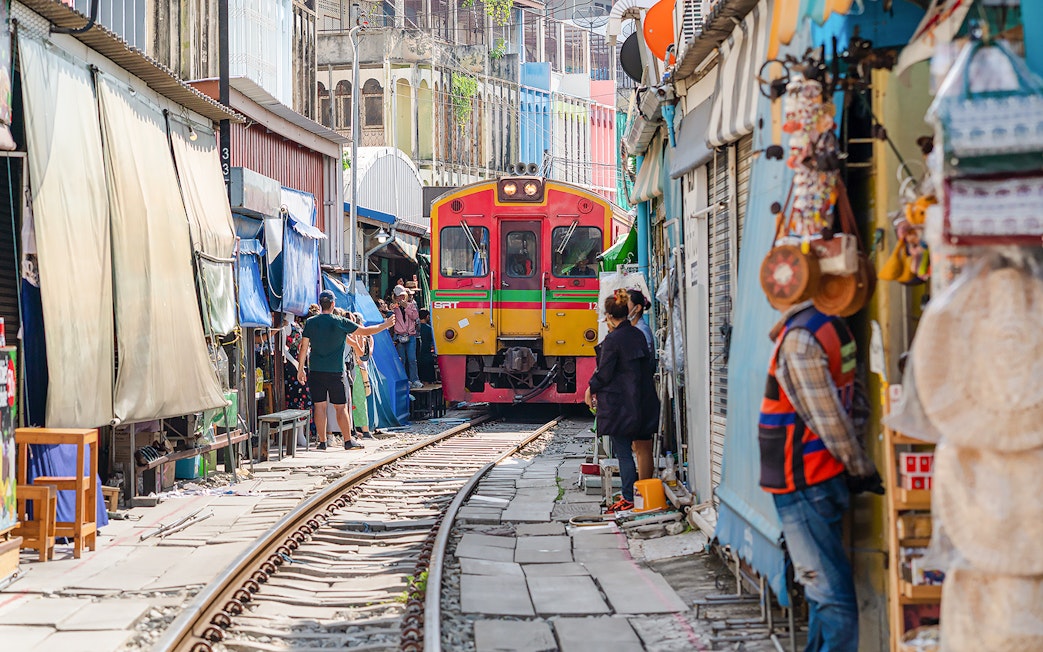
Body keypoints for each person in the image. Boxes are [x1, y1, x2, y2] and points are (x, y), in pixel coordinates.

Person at [759, 301, 883, 652]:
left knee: (830, 598)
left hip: (802, 479)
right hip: (817, 478)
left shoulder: (802, 335)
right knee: (820, 593)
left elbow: (828, 418)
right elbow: (855, 402)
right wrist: (856, 464)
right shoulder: (836, 328)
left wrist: (858, 465)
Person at [584, 289, 660, 513]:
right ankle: (639, 495)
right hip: (642, 402)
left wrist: (591, 388)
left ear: (608, 316)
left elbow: (604, 373)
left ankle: (628, 497)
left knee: (624, 453)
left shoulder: (613, 340)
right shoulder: (638, 334)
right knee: (640, 448)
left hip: (620, 406)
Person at [297, 290, 395, 450]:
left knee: (319, 406)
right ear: (333, 304)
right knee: (341, 407)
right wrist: (385, 325)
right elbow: (365, 332)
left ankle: (322, 442)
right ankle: (348, 441)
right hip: (336, 371)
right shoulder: (340, 321)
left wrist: (301, 369)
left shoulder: (311, 323)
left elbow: (303, 348)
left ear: (321, 305)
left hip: (316, 371)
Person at [346, 312, 374, 440]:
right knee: (359, 399)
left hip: (355, 368)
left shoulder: (356, 335)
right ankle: (363, 428)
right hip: (359, 368)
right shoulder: (362, 335)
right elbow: (365, 354)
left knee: (355, 399)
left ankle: (359, 428)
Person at [391, 285, 423, 389]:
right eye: (398, 297)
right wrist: (391, 309)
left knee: (412, 359)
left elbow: (415, 316)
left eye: (402, 296)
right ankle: (405, 380)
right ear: (395, 297)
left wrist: (406, 307)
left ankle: (415, 379)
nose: (400, 299)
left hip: (411, 335)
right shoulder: (394, 308)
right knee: (402, 359)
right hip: (400, 336)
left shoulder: (411, 305)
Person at [417, 308, 436, 383]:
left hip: (418, 353)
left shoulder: (416, 328)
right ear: (427, 316)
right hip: (427, 352)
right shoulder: (429, 329)